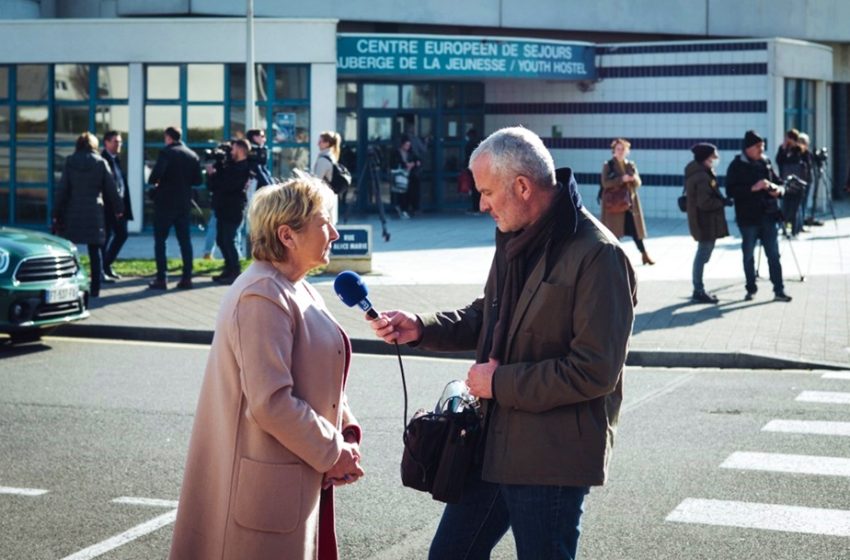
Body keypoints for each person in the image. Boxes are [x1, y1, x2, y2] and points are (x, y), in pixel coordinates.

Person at [368, 127, 636, 560]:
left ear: (523, 186)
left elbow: (595, 370)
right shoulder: (517, 235)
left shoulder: (599, 255)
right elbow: (489, 315)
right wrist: (423, 326)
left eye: (487, 191)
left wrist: (500, 384)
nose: (481, 204)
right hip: (493, 444)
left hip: (551, 458)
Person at [169, 176, 364, 560]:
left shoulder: (297, 286)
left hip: (293, 478)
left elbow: (320, 379)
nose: (336, 233)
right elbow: (271, 402)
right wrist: (331, 450)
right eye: (325, 222)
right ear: (287, 235)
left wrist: (347, 433)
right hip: (264, 494)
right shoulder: (261, 295)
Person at [53, 132, 122, 299]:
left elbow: (63, 189)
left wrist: (56, 212)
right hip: (94, 212)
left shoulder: (70, 161)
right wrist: (119, 208)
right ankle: (96, 290)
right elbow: (111, 189)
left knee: (70, 251)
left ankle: (69, 286)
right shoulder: (100, 162)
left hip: (73, 211)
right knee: (95, 251)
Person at [725, 130, 792, 302]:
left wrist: (777, 189)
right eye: (758, 147)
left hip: (769, 215)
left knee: (774, 254)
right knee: (748, 254)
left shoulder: (766, 162)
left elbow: (780, 184)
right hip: (748, 218)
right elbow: (730, 191)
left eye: (762, 146)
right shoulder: (736, 165)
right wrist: (752, 188)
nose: (761, 150)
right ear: (748, 148)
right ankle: (751, 288)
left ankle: (779, 289)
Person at [147, 126, 203, 290]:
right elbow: (198, 180)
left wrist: (158, 180)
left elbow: (154, 176)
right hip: (183, 203)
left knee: (160, 241)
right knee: (185, 242)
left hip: (164, 203)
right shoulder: (192, 155)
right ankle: (187, 278)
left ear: (168, 137)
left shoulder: (166, 153)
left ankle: (161, 278)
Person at [685, 143, 732, 304]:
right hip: (704, 222)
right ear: (705, 158)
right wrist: (722, 202)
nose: (716, 159)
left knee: (703, 255)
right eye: (713, 156)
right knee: (702, 255)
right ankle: (698, 290)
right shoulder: (702, 176)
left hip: (704, 222)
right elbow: (704, 203)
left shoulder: (702, 173)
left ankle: (698, 288)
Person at [600, 138, 655, 265]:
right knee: (614, 233)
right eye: (618, 149)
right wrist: (621, 179)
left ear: (627, 151)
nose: (620, 152)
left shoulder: (630, 164)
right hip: (614, 204)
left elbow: (638, 183)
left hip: (630, 203)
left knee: (636, 231)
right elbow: (605, 183)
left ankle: (644, 255)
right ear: (613, 151)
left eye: (623, 149)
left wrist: (632, 178)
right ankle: (611, 258)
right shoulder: (608, 165)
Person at [207, 138, 251, 285]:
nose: (231, 152)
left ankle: (235, 271)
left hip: (233, 209)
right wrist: (213, 173)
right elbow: (214, 186)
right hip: (222, 208)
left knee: (228, 240)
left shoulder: (243, 167)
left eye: (233, 149)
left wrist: (218, 174)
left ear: (240, 150)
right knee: (221, 240)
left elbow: (227, 186)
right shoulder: (230, 166)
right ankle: (228, 269)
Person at [101, 130, 132, 282]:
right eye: (115, 141)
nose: (119, 144)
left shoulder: (116, 160)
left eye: (120, 142)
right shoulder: (102, 160)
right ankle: (102, 269)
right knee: (105, 238)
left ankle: (106, 264)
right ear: (106, 142)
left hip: (120, 207)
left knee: (122, 234)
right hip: (107, 207)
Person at [313, 130, 343, 223]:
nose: (318, 144)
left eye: (320, 141)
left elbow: (316, 180)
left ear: (327, 143)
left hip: (324, 198)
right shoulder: (331, 157)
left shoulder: (323, 160)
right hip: (330, 196)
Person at [391, 134, 421, 219]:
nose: (407, 147)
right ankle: (401, 208)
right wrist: (404, 165)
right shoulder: (396, 152)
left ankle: (410, 208)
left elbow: (418, 161)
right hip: (400, 176)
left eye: (409, 145)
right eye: (406, 145)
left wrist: (413, 164)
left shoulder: (411, 153)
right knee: (401, 193)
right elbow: (393, 163)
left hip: (410, 176)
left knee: (411, 192)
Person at [464, 128, 483, 215]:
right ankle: (479, 207)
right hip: (481, 169)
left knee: (474, 189)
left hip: (473, 169)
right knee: (479, 189)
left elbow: (467, 158)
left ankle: (475, 208)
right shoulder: (481, 144)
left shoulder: (469, 144)